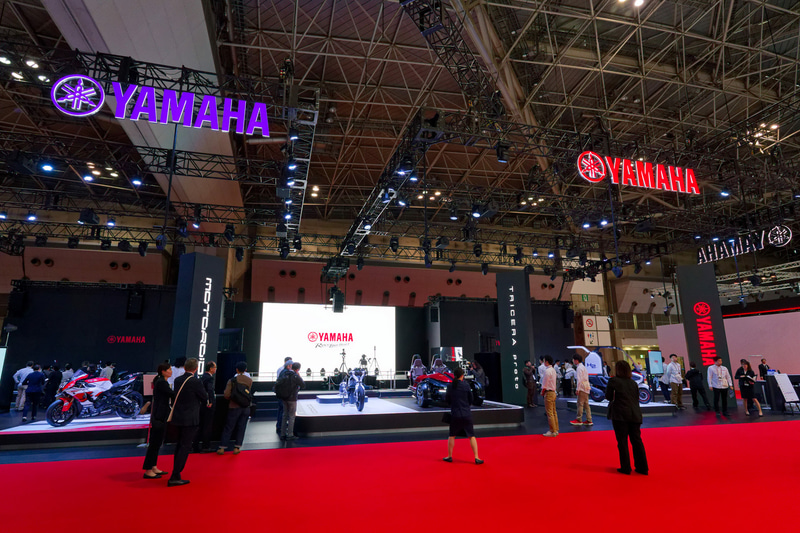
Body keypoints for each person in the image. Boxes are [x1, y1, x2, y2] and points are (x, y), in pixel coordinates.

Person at [168, 358, 208, 487]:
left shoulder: (177, 380)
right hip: (190, 418)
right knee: (185, 446)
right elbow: (204, 397)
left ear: (185, 367)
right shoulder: (196, 381)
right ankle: (175, 475)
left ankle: (176, 473)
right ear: (196, 369)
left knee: (179, 445)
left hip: (178, 417)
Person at [606, 360, 648, 475]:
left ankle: (625, 467)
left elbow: (608, 397)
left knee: (622, 442)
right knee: (637, 441)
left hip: (620, 414)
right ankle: (642, 467)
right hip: (635, 414)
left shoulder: (613, 381)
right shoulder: (633, 383)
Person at [442, 366, 483, 464]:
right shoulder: (466, 385)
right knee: (471, 436)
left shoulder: (450, 386)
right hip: (466, 414)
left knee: (452, 436)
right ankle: (476, 457)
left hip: (455, 414)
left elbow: (447, 400)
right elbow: (471, 399)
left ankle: (449, 456)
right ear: (462, 375)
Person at [143, 363, 174, 479]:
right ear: (163, 371)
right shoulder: (161, 382)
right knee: (154, 443)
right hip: (159, 415)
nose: (171, 371)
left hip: (160, 414)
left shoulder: (161, 381)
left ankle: (153, 466)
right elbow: (172, 394)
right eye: (169, 369)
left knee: (157, 443)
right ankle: (148, 469)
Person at [218, 361, 253, 454]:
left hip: (234, 406)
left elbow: (226, 394)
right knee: (242, 427)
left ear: (237, 369)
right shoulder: (249, 380)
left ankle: (222, 447)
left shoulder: (232, 380)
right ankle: (237, 447)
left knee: (229, 427)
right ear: (245, 369)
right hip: (245, 407)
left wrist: (233, 398)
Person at [194, 361, 217, 453]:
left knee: (199, 425)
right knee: (207, 425)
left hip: (200, 405)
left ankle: (195, 445)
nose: (215, 369)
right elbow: (210, 390)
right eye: (215, 367)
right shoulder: (209, 378)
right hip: (207, 405)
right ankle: (205, 446)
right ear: (211, 369)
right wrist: (210, 401)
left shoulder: (202, 377)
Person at [279, 361, 305, 441]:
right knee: (291, 416)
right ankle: (290, 434)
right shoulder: (295, 376)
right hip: (292, 398)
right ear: (298, 369)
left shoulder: (284, 373)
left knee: (284, 415)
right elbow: (303, 385)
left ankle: (282, 434)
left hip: (284, 398)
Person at [570, 354, 592, 426]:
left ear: (576, 360)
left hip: (582, 387)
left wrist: (577, 389)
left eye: (573, 360)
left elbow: (579, 380)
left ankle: (579, 419)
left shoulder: (579, 368)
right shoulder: (583, 367)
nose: (573, 361)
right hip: (586, 387)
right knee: (586, 404)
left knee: (580, 404)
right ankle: (589, 419)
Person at [541, 355, 559, 437]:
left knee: (549, 413)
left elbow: (545, 383)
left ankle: (553, 431)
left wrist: (542, 392)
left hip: (548, 392)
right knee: (554, 412)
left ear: (547, 361)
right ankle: (555, 429)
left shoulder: (547, 371)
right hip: (553, 392)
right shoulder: (553, 370)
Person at [276, 357, 292, 434]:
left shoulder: (281, 370)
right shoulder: (284, 371)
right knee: (283, 410)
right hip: (283, 392)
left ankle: (280, 425)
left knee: (281, 410)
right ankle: (280, 426)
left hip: (281, 392)